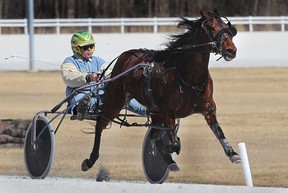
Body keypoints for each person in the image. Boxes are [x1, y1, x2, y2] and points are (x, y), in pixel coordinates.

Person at [61, 30, 146, 120]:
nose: (89, 49)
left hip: (101, 96)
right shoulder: (70, 61)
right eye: (85, 47)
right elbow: (69, 78)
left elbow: (110, 73)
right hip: (81, 93)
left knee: (122, 97)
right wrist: (89, 77)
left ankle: (147, 110)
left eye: (91, 46)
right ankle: (80, 109)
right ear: (76, 48)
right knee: (81, 99)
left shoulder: (98, 60)